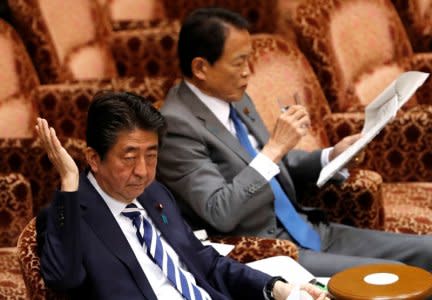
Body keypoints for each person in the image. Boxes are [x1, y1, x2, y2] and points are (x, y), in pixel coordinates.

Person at [156, 7, 432, 277]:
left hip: (306, 228)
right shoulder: (177, 127)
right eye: (239, 63)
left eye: (249, 60)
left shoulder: (233, 96)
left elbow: (274, 163)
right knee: (398, 276)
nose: (248, 72)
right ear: (201, 68)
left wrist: (330, 156)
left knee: (428, 250)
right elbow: (220, 211)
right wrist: (274, 147)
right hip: (270, 250)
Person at [35, 91, 327, 300]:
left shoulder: (154, 194)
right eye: (129, 157)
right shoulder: (70, 214)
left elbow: (206, 263)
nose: (143, 171)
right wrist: (69, 182)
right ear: (94, 159)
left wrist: (275, 289)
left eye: (151, 155)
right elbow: (64, 277)